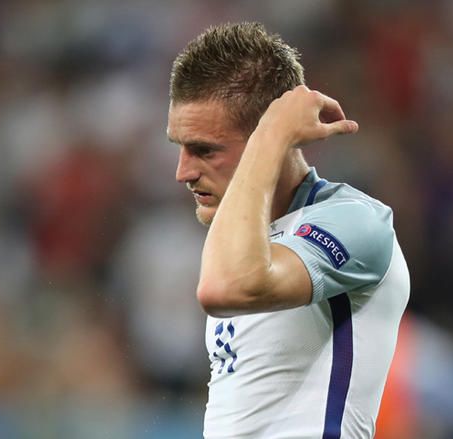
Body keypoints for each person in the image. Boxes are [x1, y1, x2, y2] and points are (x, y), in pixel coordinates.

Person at [166, 22, 410, 438]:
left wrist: (272, 134)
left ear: (274, 138)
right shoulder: (245, 244)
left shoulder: (356, 221)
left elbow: (226, 289)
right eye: (180, 147)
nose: (183, 172)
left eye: (205, 150)